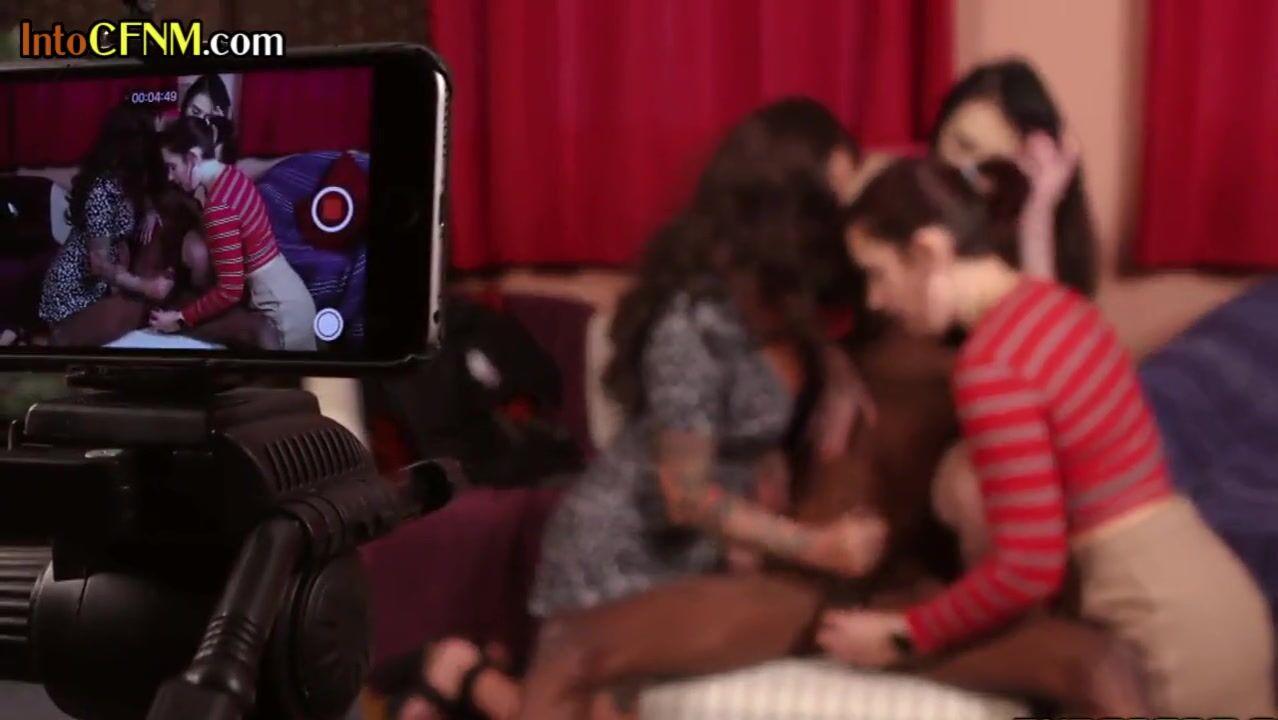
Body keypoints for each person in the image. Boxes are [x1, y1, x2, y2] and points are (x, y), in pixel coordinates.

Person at [820, 156, 1274, 716]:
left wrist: (903, 635)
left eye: (877, 273)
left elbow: (1028, 569)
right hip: (1220, 595)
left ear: (929, 253)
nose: (874, 300)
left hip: (1154, 619)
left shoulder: (990, 366)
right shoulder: (1056, 306)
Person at [931, 57, 1098, 296]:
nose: (971, 173)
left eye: (995, 165)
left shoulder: (1037, 228)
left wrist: (1038, 214)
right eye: (964, 144)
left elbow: (1043, 317)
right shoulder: (907, 210)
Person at [151, 116, 317, 350]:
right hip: (293, 295)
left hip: (280, 313)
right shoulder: (232, 176)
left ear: (192, 158)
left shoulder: (218, 207)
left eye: (172, 167)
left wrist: (180, 319)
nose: (170, 177)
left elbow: (230, 291)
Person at [38, 104, 172, 345]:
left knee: (144, 309)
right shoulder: (102, 188)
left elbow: (148, 193)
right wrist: (145, 286)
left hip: (99, 291)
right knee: (140, 309)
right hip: (71, 299)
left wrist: (151, 211)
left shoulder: (129, 179)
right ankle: (62, 337)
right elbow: (98, 265)